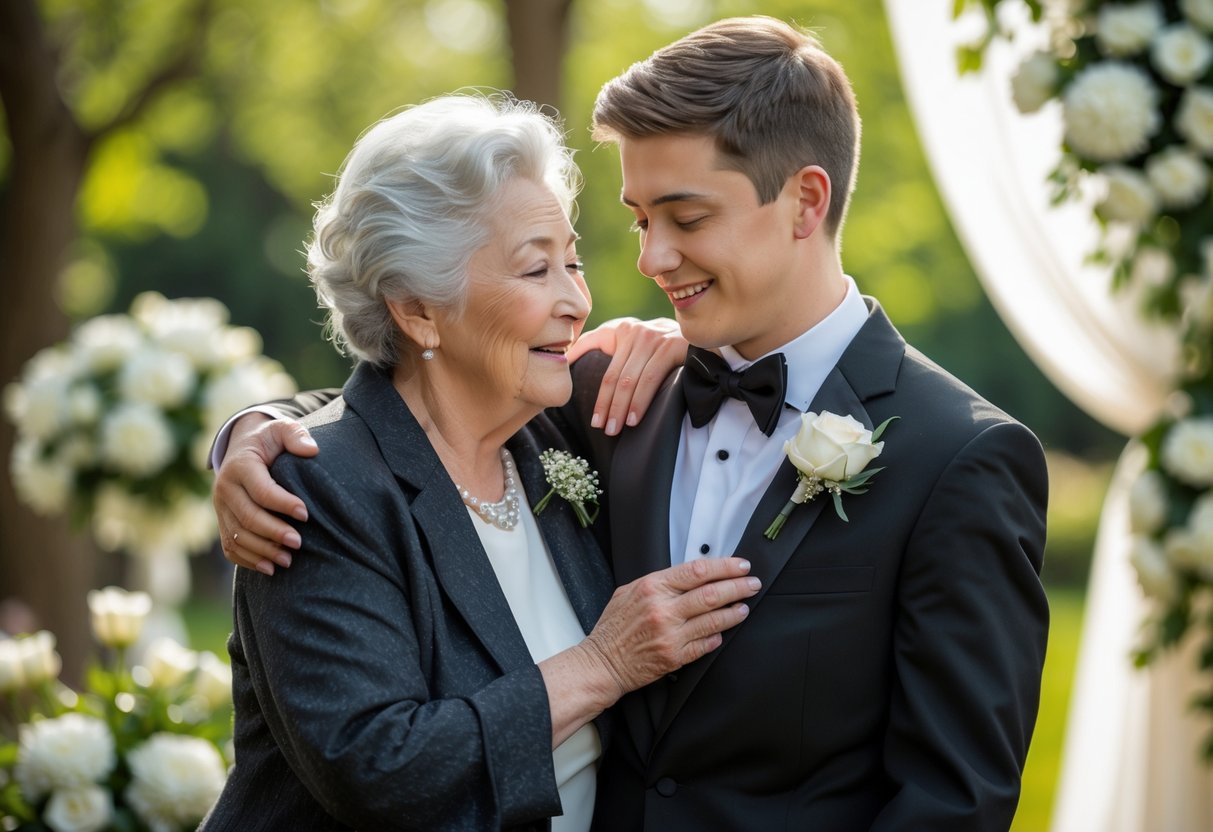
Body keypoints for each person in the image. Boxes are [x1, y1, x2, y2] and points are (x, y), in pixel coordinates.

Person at [214, 16, 1049, 830]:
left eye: (685, 220)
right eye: (640, 220)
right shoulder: (601, 409)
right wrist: (252, 434)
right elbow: (402, 416)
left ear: (805, 201)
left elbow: (951, 804)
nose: (647, 262)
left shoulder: (959, 458)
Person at [199, 93, 761, 832]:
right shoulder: (314, 488)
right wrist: (602, 664)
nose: (576, 300)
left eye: (573, 261)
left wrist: (664, 338)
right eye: (535, 272)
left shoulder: (554, 433)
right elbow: (380, 772)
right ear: (418, 309)